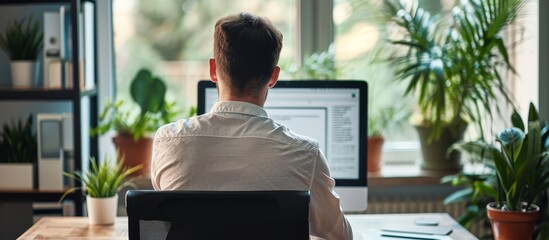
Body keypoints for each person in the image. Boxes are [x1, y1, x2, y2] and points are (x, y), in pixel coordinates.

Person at [151, 12, 353, 240]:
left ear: (213, 70)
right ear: (273, 76)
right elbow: (341, 236)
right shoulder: (306, 154)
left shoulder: (167, 141)